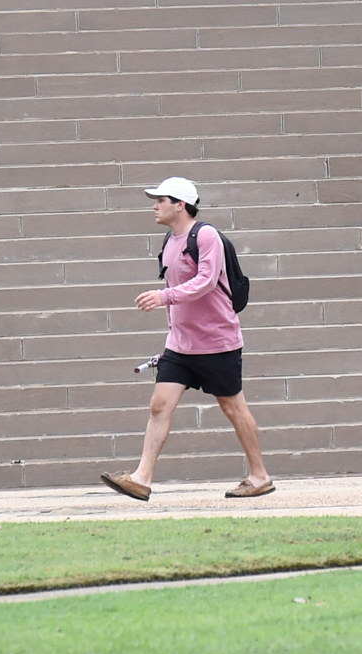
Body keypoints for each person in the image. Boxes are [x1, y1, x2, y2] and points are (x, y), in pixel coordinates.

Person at [102, 177, 273, 501]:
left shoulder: (205, 236)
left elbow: (206, 282)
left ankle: (259, 476)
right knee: (159, 406)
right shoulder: (170, 240)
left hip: (217, 342)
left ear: (180, 204)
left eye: (161, 200)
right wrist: (172, 327)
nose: (155, 205)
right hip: (180, 345)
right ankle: (141, 478)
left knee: (233, 408)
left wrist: (163, 296)